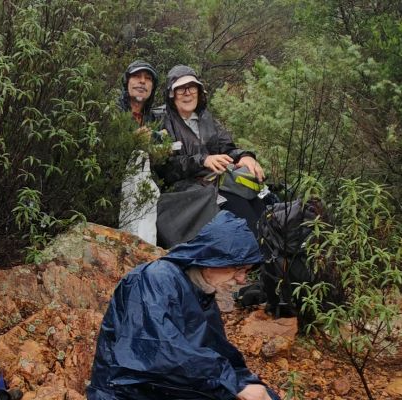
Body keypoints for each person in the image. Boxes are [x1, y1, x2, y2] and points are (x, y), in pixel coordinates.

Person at [87, 211, 281, 400]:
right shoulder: (155, 279)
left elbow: (214, 350)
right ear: (212, 260)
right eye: (238, 269)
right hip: (126, 390)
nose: (241, 280)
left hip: (166, 384)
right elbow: (158, 352)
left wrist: (246, 382)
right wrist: (234, 383)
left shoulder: (201, 290)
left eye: (246, 271)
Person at [151, 65, 274, 247]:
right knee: (245, 217)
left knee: (260, 208)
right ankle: (254, 263)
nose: (187, 93)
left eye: (192, 88)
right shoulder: (161, 120)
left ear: (199, 92)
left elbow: (227, 147)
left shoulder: (205, 118)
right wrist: (203, 160)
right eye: (181, 89)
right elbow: (164, 167)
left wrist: (245, 156)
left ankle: (272, 262)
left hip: (215, 183)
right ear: (171, 94)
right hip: (187, 193)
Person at [117, 60, 165, 245]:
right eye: (137, 76)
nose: (142, 82)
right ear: (127, 82)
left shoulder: (154, 119)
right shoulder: (112, 111)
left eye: (148, 79)